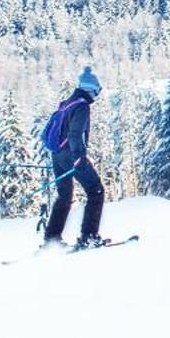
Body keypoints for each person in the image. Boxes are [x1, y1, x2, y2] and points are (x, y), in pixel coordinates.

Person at [42, 67, 108, 248]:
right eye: (97, 90)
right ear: (91, 89)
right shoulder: (82, 106)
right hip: (72, 155)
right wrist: (79, 157)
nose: (97, 94)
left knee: (64, 196)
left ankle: (52, 238)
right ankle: (89, 236)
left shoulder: (66, 103)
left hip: (57, 156)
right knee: (96, 191)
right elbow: (75, 134)